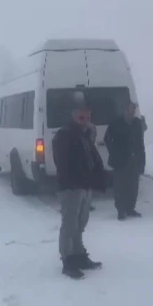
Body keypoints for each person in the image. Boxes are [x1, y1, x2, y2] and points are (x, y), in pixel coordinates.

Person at [52, 105, 107, 279]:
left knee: (80, 223)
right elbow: (63, 163)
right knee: (69, 224)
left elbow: (92, 159)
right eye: (81, 118)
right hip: (71, 187)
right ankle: (67, 260)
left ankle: (79, 255)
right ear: (74, 117)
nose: (85, 121)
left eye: (87, 118)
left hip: (84, 186)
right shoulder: (65, 135)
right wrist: (75, 181)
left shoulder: (84, 135)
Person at [104, 102, 146, 220]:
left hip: (134, 160)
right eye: (130, 109)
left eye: (134, 109)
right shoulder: (116, 122)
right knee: (120, 186)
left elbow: (140, 143)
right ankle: (120, 210)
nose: (132, 111)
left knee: (133, 186)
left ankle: (130, 208)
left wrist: (142, 160)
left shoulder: (137, 123)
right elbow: (107, 138)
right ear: (125, 110)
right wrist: (113, 151)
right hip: (119, 160)